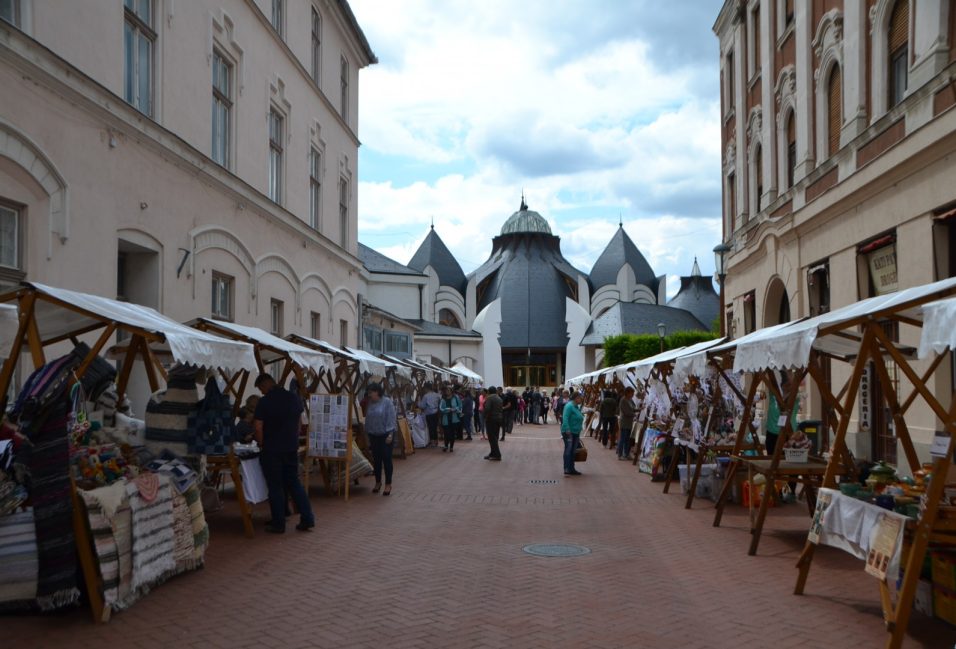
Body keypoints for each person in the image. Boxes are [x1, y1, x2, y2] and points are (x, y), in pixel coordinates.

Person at [253, 373, 315, 533]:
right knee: (294, 483)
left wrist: (261, 443)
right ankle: (307, 518)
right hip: (290, 447)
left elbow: (258, 427)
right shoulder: (293, 398)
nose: (261, 392)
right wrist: (292, 438)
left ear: (265, 384)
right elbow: (299, 423)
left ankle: (279, 523)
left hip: (271, 449)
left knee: (275, 486)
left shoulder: (264, 402)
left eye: (261, 388)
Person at [364, 382, 396, 496]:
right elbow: (368, 418)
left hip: (386, 435)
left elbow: (391, 418)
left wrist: (390, 434)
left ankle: (388, 484)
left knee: (387, 460)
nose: (369, 395)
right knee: (376, 460)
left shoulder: (387, 402)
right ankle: (378, 482)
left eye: (370, 392)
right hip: (373, 435)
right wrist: (367, 434)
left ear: (377, 392)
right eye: (368, 393)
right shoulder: (370, 403)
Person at [562, 392, 585, 476]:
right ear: (576, 398)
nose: (581, 399)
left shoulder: (576, 407)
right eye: (580, 398)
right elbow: (565, 417)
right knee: (568, 449)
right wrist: (567, 428)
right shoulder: (569, 406)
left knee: (573, 451)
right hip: (569, 432)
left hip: (576, 431)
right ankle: (567, 468)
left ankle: (572, 468)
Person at [439, 385, 462, 452]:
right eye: (446, 390)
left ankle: (451, 447)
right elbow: (441, 408)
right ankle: (446, 446)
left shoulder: (456, 397)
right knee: (446, 433)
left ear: (451, 391)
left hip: (454, 418)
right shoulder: (443, 398)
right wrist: (447, 410)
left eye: (448, 390)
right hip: (446, 418)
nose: (447, 392)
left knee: (452, 433)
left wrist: (455, 409)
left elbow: (460, 406)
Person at [483, 386, 503, 461]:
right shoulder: (499, 398)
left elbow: (487, 408)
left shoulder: (489, 398)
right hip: (498, 419)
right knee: (495, 437)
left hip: (491, 419)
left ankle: (497, 455)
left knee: (492, 437)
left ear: (489, 391)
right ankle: (493, 453)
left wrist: (485, 416)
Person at [419, 382, 441, 448]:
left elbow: (422, 406)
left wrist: (418, 403)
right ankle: (436, 441)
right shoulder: (437, 395)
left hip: (429, 414)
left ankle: (432, 442)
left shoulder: (426, 396)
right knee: (435, 428)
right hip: (436, 413)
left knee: (431, 428)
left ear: (426, 388)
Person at [616, 387, 636, 460]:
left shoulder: (630, 400)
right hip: (624, 422)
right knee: (623, 438)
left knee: (627, 439)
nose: (633, 394)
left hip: (629, 422)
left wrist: (639, 409)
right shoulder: (623, 400)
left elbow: (633, 408)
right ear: (627, 393)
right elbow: (626, 412)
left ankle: (626, 454)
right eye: (632, 393)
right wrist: (634, 414)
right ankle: (620, 454)